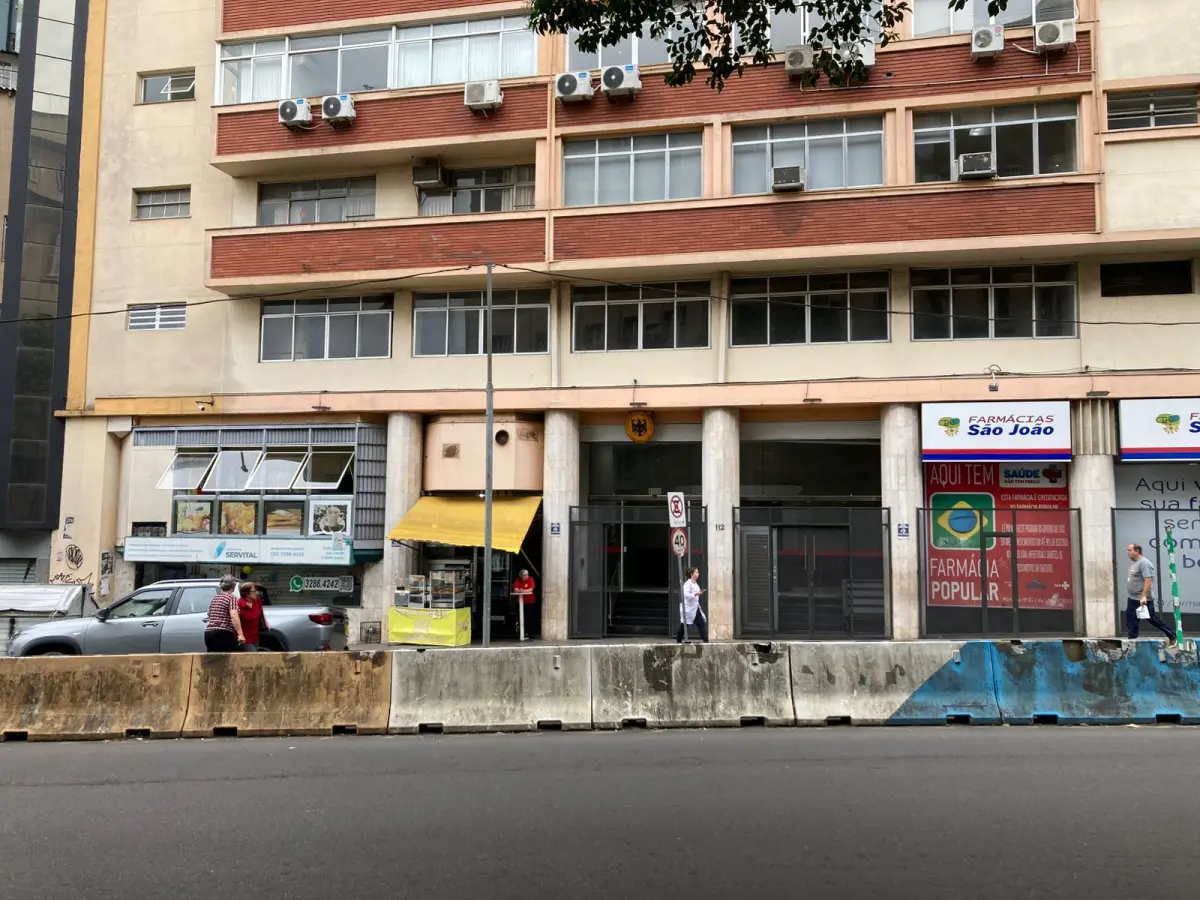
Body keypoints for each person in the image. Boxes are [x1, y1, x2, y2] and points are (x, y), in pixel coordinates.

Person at [1126, 544, 1176, 646]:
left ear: (1137, 551)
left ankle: (1172, 635)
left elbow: (1148, 580)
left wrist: (1143, 596)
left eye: (1129, 550)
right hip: (1132, 597)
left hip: (1142, 598)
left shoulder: (1144, 563)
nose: (1128, 552)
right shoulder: (1135, 563)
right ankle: (1132, 641)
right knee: (1131, 619)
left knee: (1152, 618)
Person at [204, 575, 246, 653]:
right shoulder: (231, 598)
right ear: (233, 586)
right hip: (223, 634)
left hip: (209, 633)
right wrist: (240, 634)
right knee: (227, 660)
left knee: (212, 660)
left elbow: (209, 614)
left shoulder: (215, 598)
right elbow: (234, 615)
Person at [676, 567, 707, 643]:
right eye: (696, 572)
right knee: (684, 626)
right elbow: (685, 595)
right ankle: (678, 641)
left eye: (698, 572)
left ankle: (706, 641)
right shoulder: (687, 584)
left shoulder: (695, 583)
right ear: (692, 574)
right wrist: (696, 593)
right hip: (688, 609)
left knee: (701, 624)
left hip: (695, 608)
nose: (698, 574)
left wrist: (699, 592)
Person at [237, 582, 268, 652]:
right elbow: (235, 622)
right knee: (253, 656)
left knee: (252, 657)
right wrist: (240, 635)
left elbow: (261, 613)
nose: (256, 593)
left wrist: (266, 623)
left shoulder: (257, 600)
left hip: (255, 637)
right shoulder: (239, 604)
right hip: (245, 639)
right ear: (246, 593)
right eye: (253, 591)